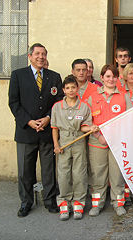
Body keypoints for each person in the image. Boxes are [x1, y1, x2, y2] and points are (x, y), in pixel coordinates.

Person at [8, 43, 64, 217]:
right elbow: (14, 102)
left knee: (48, 170)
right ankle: (26, 202)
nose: (41, 57)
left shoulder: (54, 76)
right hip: (26, 131)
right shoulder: (18, 75)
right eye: (37, 53)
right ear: (30, 56)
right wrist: (29, 121)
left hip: (47, 131)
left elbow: (58, 101)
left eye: (44, 54)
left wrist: (48, 117)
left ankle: (50, 201)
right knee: (25, 171)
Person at [86, 64, 133, 217]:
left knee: (117, 175)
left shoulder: (124, 96)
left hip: (117, 143)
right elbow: (87, 122)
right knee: (98, 175)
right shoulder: (93, 97)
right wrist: (98, 136)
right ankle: (97, 205)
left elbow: (130, 119)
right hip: (97, 143)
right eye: (107, 76)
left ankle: (117, 203)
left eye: (113, 76)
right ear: (102, 78)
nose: (111, 79)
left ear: (117, 78)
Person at [51, 75, 99, 220]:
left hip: (78, 142)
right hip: (64, 142)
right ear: (63, 90)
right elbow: (54, 128)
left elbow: (84, 127)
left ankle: (79, 202)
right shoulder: (57, 107)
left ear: (77, 89)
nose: (71, 90)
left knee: (79, 173)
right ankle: (64, 202)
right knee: (64, 174)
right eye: (68, 88)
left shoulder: (84, 106)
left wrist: (91, 128)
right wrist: (56, 145)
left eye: (73, 87)